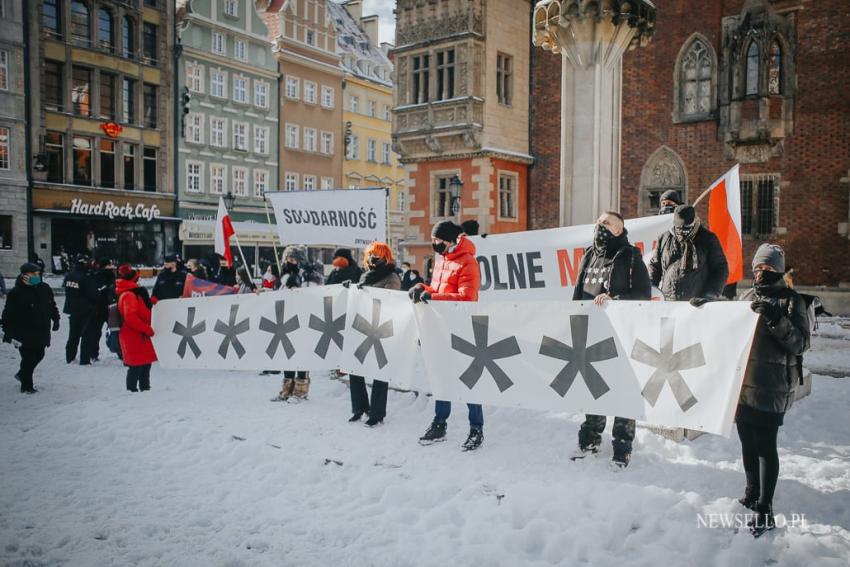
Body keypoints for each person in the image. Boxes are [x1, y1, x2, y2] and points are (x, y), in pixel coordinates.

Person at [736, 244, 809, 537]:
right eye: (757, 267)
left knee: (766, 447)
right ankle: (751, 493)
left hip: (772, 385)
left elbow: (801, 343)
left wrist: (774, 318)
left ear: (778, 270)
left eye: (767, 268)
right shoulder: (746, 297)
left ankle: (765, 509)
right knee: (747, 443)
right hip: (743, 384)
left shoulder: (791, 301)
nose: (760, 272)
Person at [572, 211, 651, 468]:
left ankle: (622, 447)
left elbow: (643, 293)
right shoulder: (588, 253)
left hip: (620, 333)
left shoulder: (630, 255)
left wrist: (614, 301)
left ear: (619, 229)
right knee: (593, 388)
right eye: (598, 222)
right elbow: (578, 290)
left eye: (606, 223)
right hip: (591, 333)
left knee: (622, 390)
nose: (600, 227)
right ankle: (590, 440)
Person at [410, 220, 484, 451]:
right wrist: (423, 288)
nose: (435, 245)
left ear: (453, 240)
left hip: (461, 329)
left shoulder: (468, 262)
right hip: (441, 328)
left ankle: (476, 428)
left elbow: (467, 297)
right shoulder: (442, 260)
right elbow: (439, 290)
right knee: (441, 377)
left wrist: (434, 298)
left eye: (438, 241)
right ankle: (440, 423)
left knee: (469, 381)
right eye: (433, 240)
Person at [347, 242, 402, 427]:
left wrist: (366, 293)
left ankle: (377, 413)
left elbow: (390, 301)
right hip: (363, 327)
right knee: (355, 368)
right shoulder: (365, 276)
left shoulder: (391, 277)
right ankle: (360, 408)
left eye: (376, 255)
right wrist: (352, 290)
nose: (372, 258)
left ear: (385, 257)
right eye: (370, 254)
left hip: (381, 330)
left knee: (380, 371)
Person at [648, 205, 728, 305]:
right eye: (679, 228)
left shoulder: (708, 239)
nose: (682, 232)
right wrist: (651, 289)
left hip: (695, 304)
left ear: (694, 222)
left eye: (686, 228)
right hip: (668, 301)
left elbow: (720, 269)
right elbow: (655, 266)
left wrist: (709, 295)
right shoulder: (664, 238)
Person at [272, 245, 322, 401]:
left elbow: (314, 294)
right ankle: (287, 388)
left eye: (293, 258)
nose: (290, 261)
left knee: (301, 354)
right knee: (287, 354)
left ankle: (300, 389)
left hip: (303, 319)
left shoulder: (309, 275)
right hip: (286, 318)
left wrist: (301, 285)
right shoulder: (283, 275)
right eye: (288, 258)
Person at [1, 263, 60, 393]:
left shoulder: (44, 288)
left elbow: (51, 305)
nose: (36, 276)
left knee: (40, 354)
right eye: (33, 274)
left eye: (38, 274)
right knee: (28, 358)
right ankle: (27, 386)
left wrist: (56, 319)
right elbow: (8, 314)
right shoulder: (16, 293)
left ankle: (22, 375)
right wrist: (7, 331)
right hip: (23, 331)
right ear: (24, 275)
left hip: (42, 329)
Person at [116, 264, 157, 392]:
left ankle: (144, 388)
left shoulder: (133, 293)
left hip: (140, 335)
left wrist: (151, 302)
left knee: (145, 364)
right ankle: (132, 390)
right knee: (136, 366)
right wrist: (146, 329)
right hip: (135, 335)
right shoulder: (129, 295)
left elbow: (140, 308)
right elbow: (130, 317)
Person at [63, 254, 98, 365]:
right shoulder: (86, 277)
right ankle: (84, 359)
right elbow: (93, 294)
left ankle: (70, 357)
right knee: (86, 335)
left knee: (73, 335)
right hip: (85, 310)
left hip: (72, 309)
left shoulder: (69, 275)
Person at [87, 257, 116, 362]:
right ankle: (120, 352)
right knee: (115, 330)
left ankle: (93, 353)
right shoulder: (109, 275)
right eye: (109, 264)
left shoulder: (96, 276)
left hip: (100, 307)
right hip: (108, 307)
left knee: (96, 332)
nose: (111, 266)